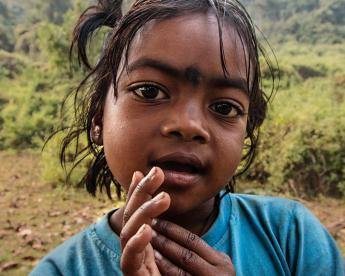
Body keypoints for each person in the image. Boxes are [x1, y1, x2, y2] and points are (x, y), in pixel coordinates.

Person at [31, 0, 344, 275]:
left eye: (224, 107)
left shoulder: (292, 238)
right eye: (149, 91)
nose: (190, 125)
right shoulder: (62, 270)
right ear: (99, 117)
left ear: (246, 133)